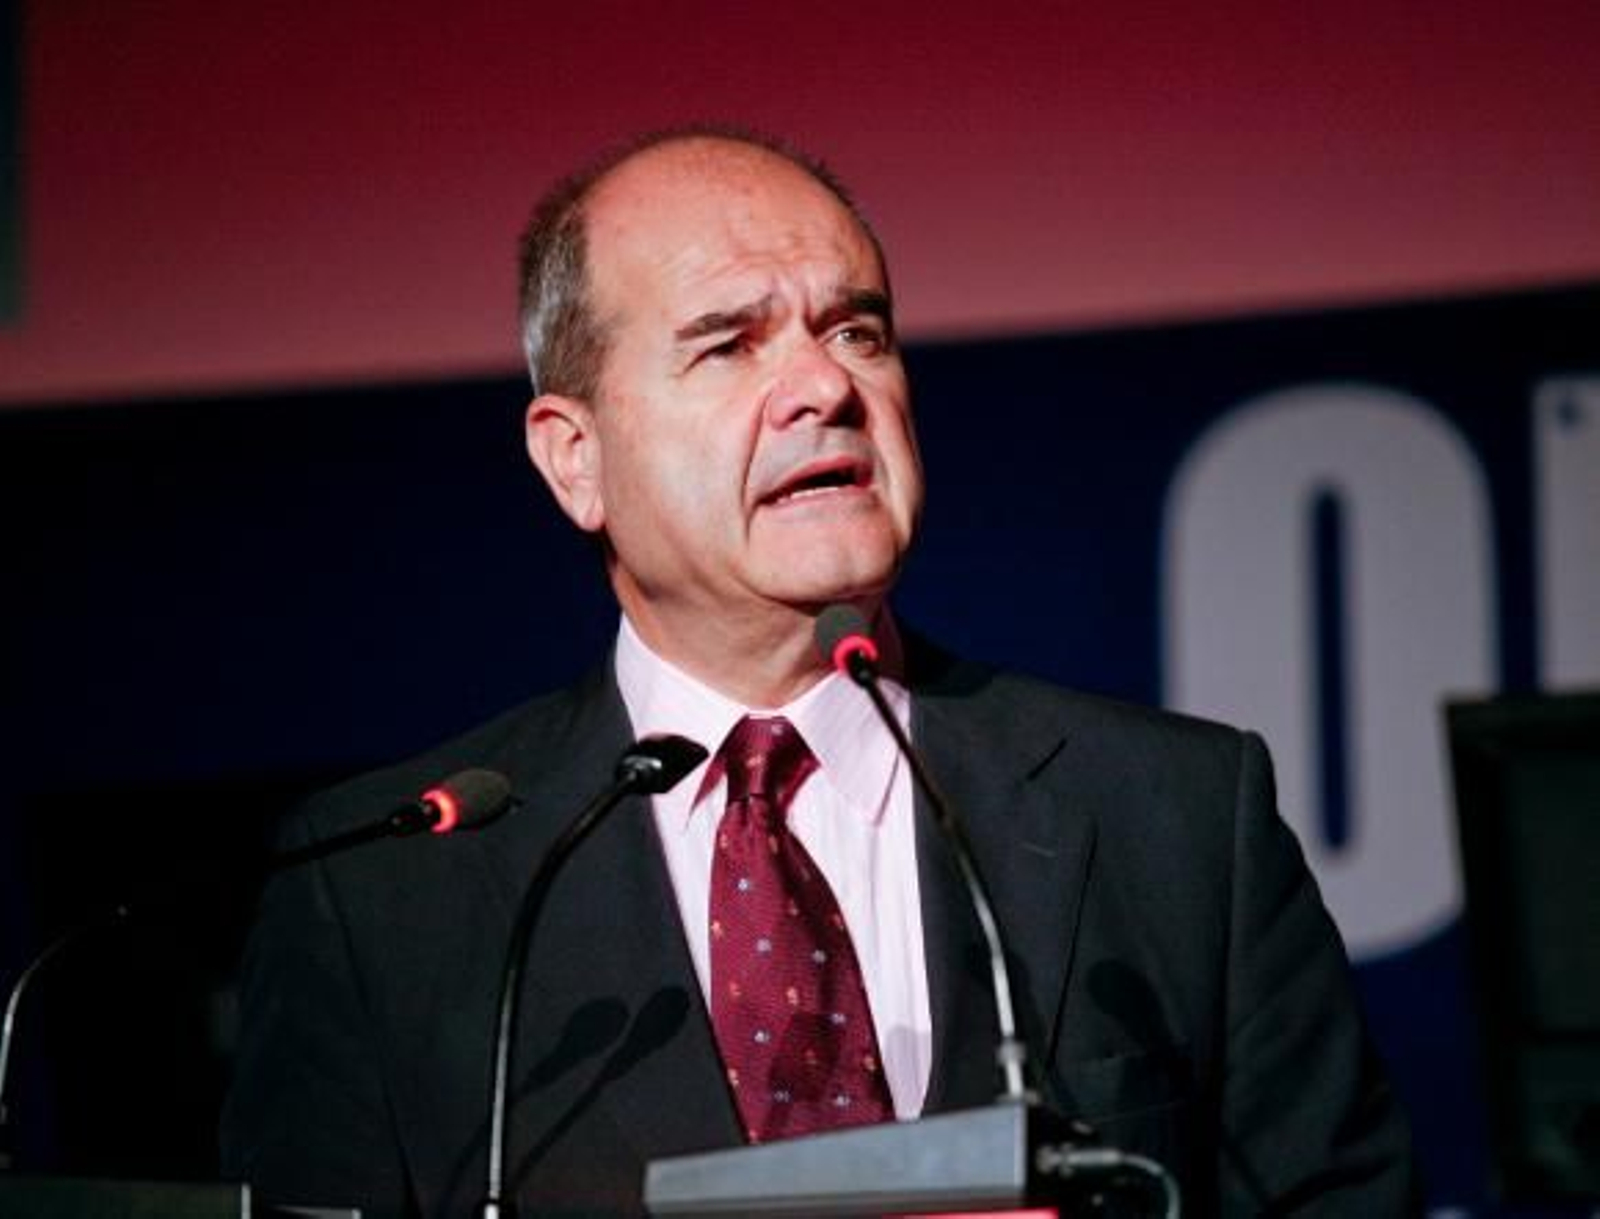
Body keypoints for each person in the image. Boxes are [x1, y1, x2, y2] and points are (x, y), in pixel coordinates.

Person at [221, 128, 1418, 1216]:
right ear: (575, 458)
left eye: (857, 331)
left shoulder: (1178, 817)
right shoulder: (383, 895)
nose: (826, 387)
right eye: (729, 344)